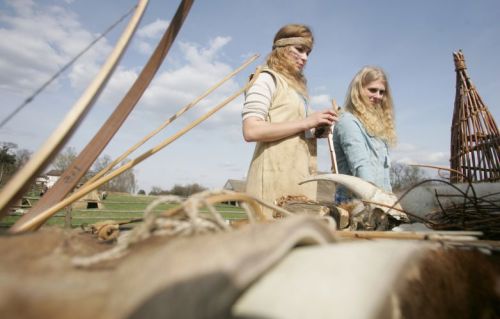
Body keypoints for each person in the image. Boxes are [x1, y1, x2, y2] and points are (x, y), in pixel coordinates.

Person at [242, 24, 337, 218]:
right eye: (299, 50)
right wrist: (307, 122)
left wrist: (316, 130)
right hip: (272, 182)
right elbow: (251, 130)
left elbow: (293, 128)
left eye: (308, 53)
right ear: (282, 48)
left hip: (299, 180)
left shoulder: (295, 89)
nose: (305, 58)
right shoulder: (266, 79)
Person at [333, 66, 397, 203]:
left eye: (382, 92)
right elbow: (361, 166)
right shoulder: (348, 121)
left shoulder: (375, 124)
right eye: (372, 90)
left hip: (379, 197)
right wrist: (375, 201)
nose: (378, 96)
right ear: (358, 89)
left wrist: (388, 198)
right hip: (356, 202)